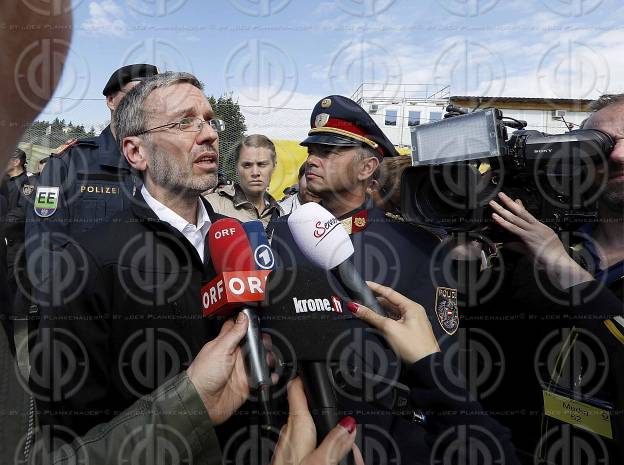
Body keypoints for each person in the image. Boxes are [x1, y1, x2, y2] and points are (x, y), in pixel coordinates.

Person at [269, 95, 460, 463]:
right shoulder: (280, 234)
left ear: (366, 167)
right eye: (312, 149)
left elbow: (438, 365)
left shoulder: (418, 245)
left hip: (386, 437)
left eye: (330, 151)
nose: (312, 160)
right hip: (296, 431)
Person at [24, 63, 159, 308]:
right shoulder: (68, 164)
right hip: (85, 314)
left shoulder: (163, 167)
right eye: (136, 94)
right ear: (110, 100)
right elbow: (44, 247)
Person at [205, 134, 283, 228]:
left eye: (262, 164)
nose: (255, 172)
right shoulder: (211, 206)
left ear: (274, 167)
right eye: (247, 165)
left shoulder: (280, 214)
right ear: (236, 168)